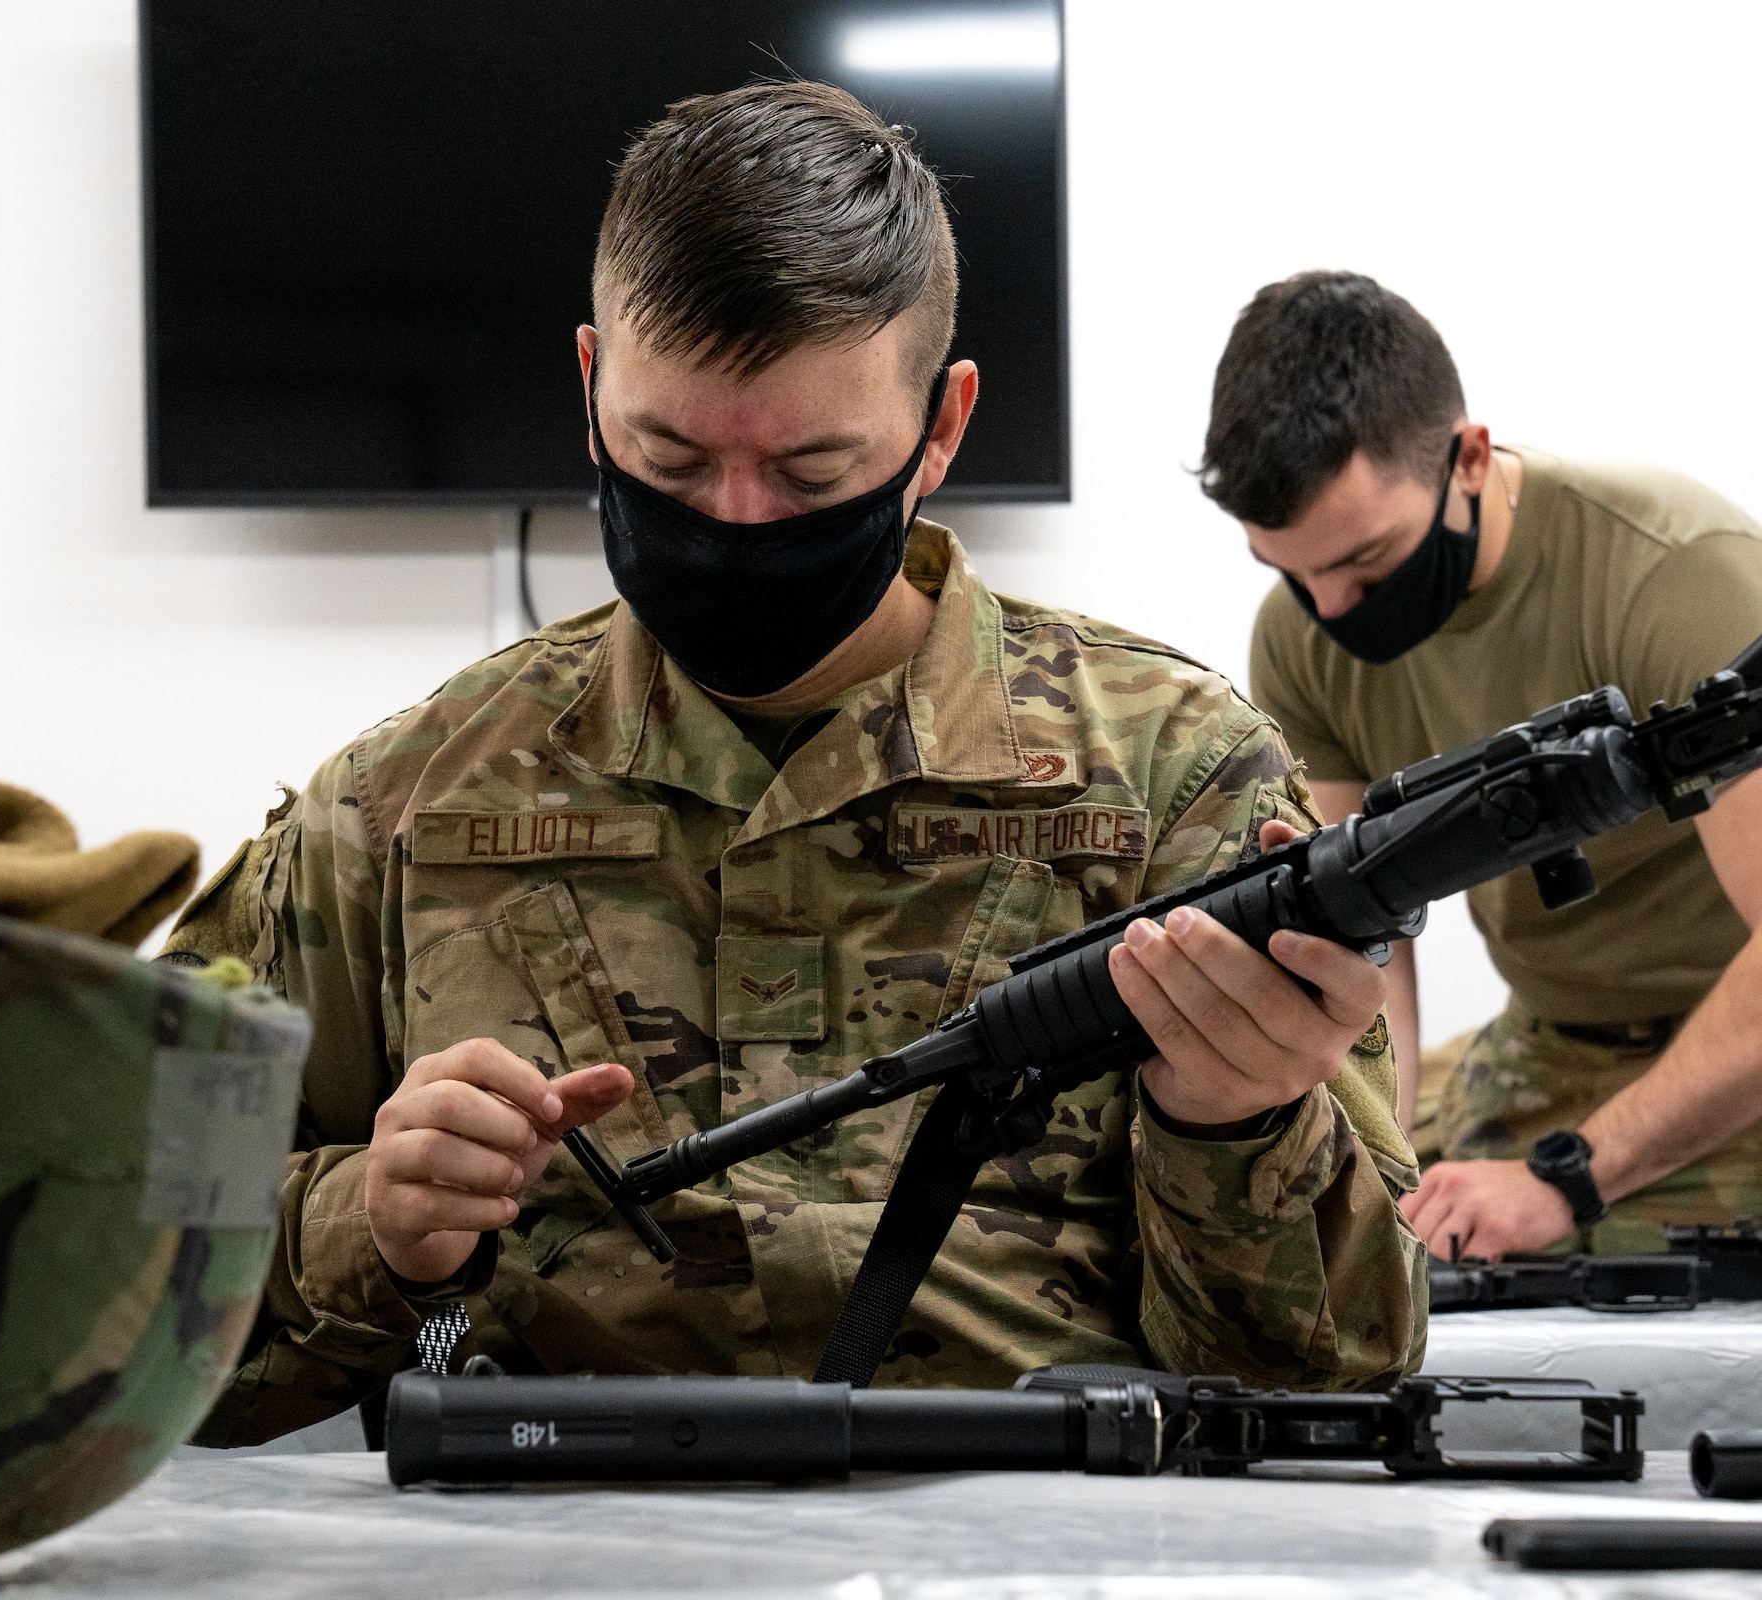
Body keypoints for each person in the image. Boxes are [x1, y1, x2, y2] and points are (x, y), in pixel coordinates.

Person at [165, 86, 1424, 1447]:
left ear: (941, 430)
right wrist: (373, 1226)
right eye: (671, 456)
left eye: (816, 471)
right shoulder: (410, 804)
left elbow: (1337, 1383)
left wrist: (1235, 1126)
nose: (734, 521)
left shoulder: (1176, 779)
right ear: (591, 391)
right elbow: (102, 1294)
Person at [1203, 270, 1762, 1263]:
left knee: (1532, 1259)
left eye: (1365, 563)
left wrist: (1566, 1178)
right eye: (1292, 571)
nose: (1329, 608)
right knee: (1280, 1220)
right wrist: (1377, 1154)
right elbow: (1363, 925)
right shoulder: (1296, 636)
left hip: (1730, 1043)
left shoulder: (1674, 576)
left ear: (1466, 459)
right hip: (1546, 1040)